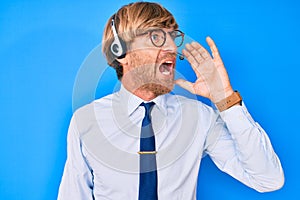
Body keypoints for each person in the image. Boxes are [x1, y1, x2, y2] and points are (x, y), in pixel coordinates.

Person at [57, 2, 284, 200]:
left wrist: (225, 98)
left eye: (173, 37)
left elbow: (268, 180)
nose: (172, 48)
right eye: (156, 37)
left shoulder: (199, 117)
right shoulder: (86, 121)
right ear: (121, 51)